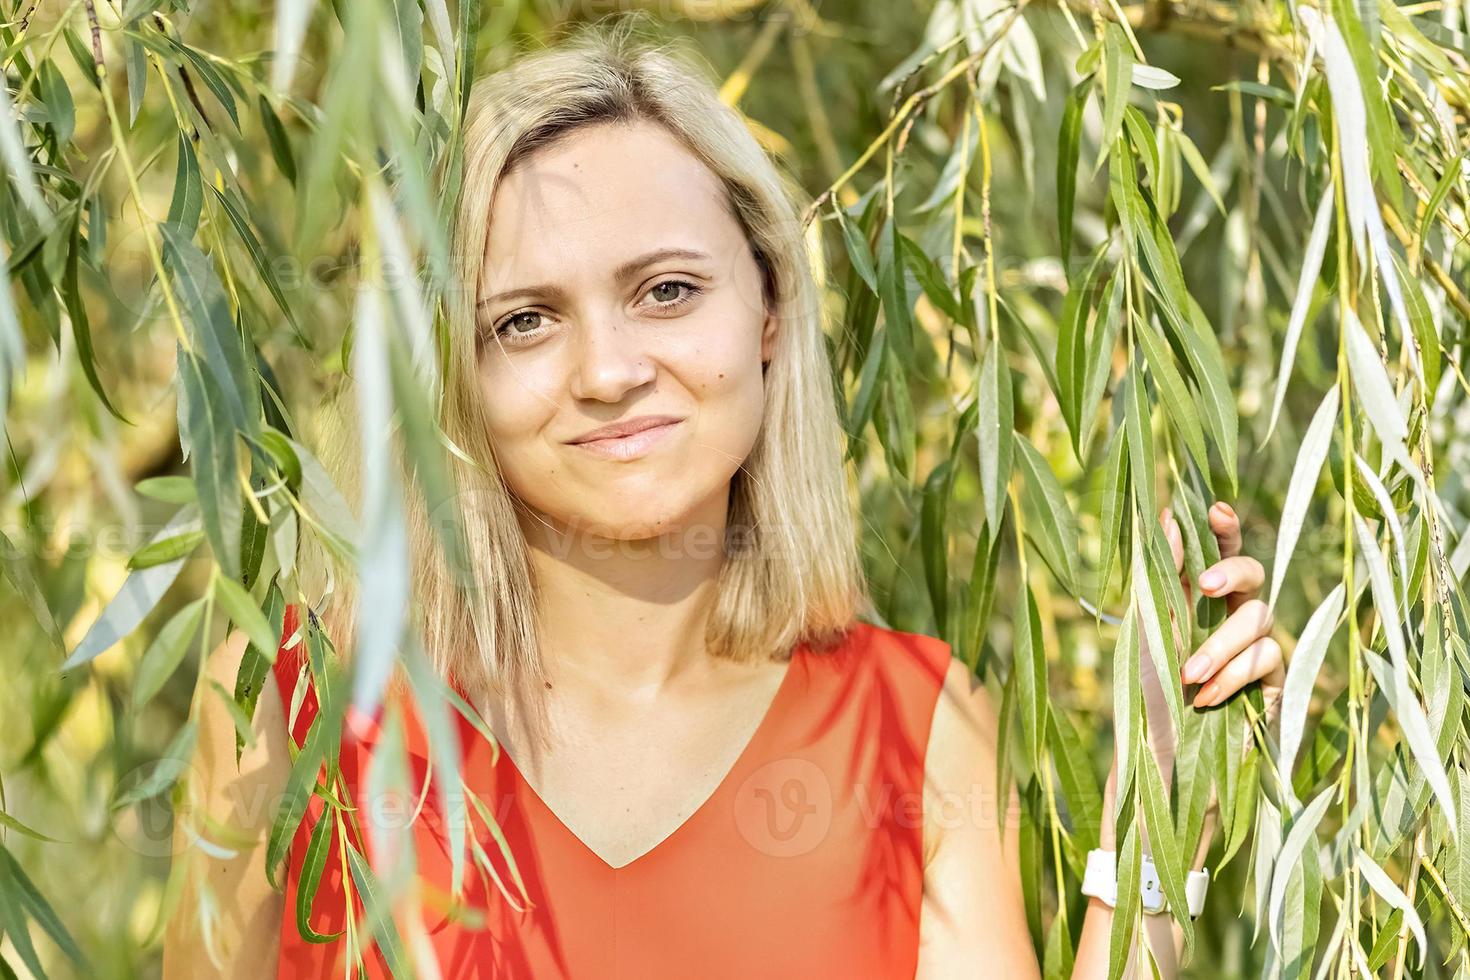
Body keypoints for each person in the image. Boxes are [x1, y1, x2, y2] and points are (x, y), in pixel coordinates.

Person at [161, 17, 1286, 979]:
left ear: (769, 311)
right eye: (525, 319)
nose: (607, 369)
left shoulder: (911, 729)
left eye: (666, 290)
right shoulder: (298, 707)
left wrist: (1161, 780)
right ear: (451, 372)